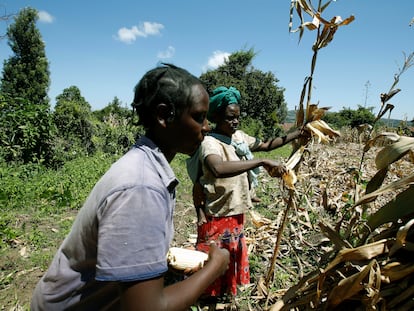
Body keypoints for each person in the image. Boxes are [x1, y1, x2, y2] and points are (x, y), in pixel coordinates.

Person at [31, 64, 230, 311]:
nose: (207, 126)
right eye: (199, 116)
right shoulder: (141, 187)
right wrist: (214, 268)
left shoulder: (144, 165)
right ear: (163, 115)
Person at [186, 86, 307, 305]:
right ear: (217, 117)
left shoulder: (239, 138)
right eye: (230, 118)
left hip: (235, 207)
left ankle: (226, 290)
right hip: (216, 209)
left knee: (232, 251)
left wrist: (297, 133)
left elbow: (269, 145)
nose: (235, 122)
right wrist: (260, 162)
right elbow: (217, 168)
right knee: (214, 254)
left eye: (237, 118)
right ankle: (207, 295)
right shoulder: (210, 143)